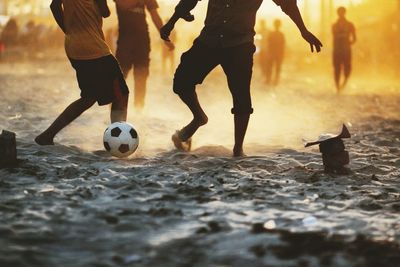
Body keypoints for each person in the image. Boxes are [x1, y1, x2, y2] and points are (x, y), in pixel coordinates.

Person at [161, 0, 323, 157]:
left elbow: (287, 4)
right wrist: (172, 22)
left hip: (239, 44)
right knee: (182, 82)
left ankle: (238, 149)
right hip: (209, 40)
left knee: (241, 97)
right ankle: (199, 117)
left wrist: (303, 30)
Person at [35, 0, 129, 146]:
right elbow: (106, 12)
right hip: (94, 48)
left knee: (89, 97)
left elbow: (54, 6)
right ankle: (118, 139)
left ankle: (47, 135)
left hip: (74, 47)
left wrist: (68, 30)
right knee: (121, 93)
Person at [114, 0, 174, 110]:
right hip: (125, 40)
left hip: (143, 40)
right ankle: (115, 110)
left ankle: (139, 109)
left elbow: (155, 15)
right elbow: (122, 4)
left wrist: (164, 36)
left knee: (141, 76)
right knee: (120, 75)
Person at [332, 6, 356, 92]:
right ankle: (338, 87)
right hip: (337, 50)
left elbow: (354, 39)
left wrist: (349, 43)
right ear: (338, 13)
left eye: (342, 12)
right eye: (339, 12)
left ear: (344, 13)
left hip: (346, 50)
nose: (341, 14)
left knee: (347, 69)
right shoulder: (334, 25)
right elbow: (334, 37)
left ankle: (343, 84)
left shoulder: (350, 25)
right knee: (336, 69)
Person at [264, 19, 285, 86]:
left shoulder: (271, 34)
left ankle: (269, 80)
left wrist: (268, 52)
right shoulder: (281, 34)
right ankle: (275, 81)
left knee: (270, 67)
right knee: (277, 68)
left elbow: (268, 44)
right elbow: (283, 45)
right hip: (277, 54)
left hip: (272, 53)